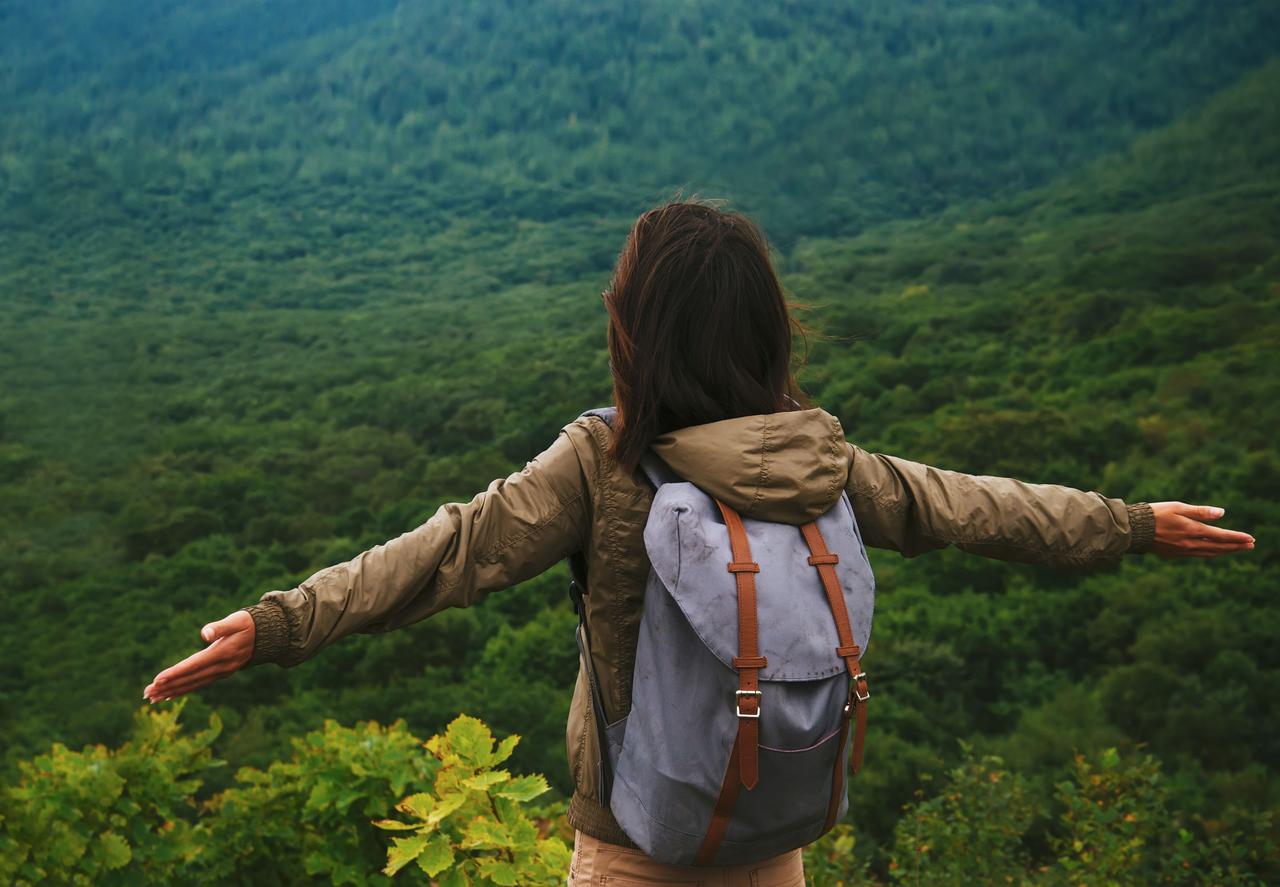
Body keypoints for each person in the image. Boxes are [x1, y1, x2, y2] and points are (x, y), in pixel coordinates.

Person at [144, 200, 1255, 886]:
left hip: (634, 842)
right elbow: (970, 504)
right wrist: (1126, 524)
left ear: (638, 331)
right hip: (772, 831)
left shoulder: (602, 460)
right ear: (766, 329)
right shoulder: (818, 459)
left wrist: (277, 623)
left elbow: (445, 553)